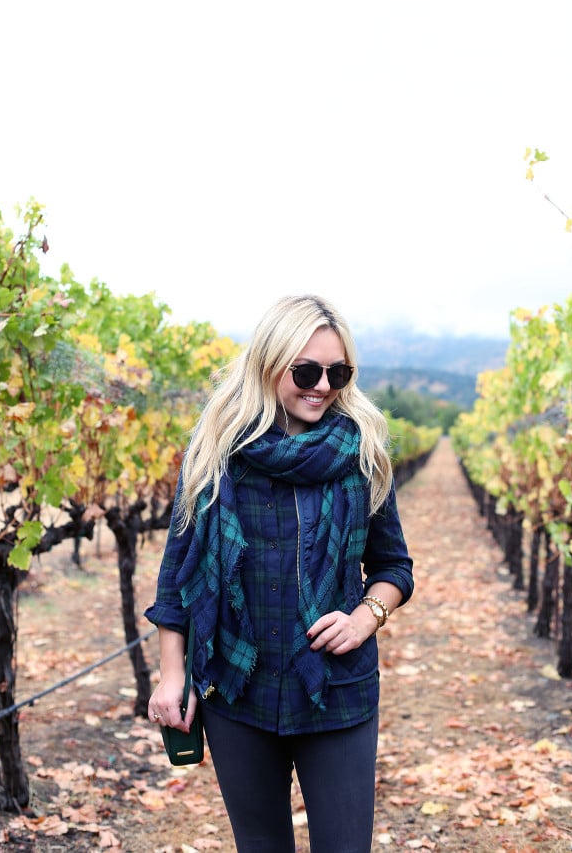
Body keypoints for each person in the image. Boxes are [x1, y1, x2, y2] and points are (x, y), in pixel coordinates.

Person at [145, 294, 413, 853]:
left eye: (338, 373)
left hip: (337, 689)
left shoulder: (362, 453)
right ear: (268, 364)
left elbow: (393, 566)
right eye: (307, 371)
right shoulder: (215, 452)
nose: (323, 386)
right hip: (238, 690)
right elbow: (176, 578)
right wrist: (172, 676)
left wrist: (366, 617)